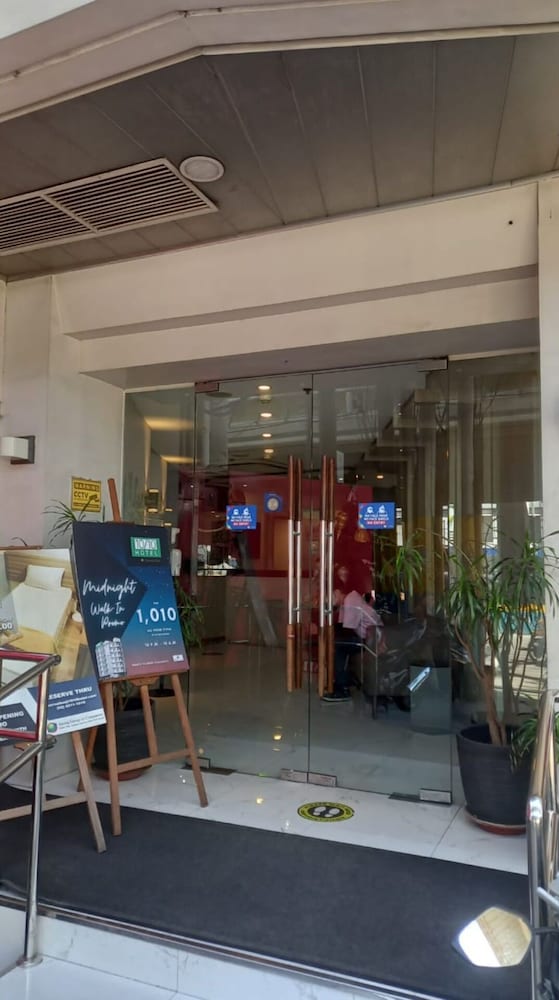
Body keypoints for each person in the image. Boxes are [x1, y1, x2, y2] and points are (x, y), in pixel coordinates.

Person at [322, 575, 384, 703]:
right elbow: (342, 627)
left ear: (337, 592)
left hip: (372, 640)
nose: (326, 600)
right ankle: (343, 680)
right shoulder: (347, 601)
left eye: (327, 596)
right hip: (366, 637)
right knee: (339, 643)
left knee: (339, 646)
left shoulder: (350, 600)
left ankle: (342, 688)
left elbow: (347, 629)